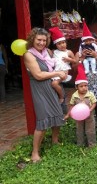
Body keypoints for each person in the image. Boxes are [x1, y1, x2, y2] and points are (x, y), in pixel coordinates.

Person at [23, 27, 66, 162]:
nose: (41, 43)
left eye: (44, 40)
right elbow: (38, 75)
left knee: (57, 113)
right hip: (40, 89)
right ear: (32, 39)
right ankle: (35, 153)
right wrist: (57, 74)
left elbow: (58, 65)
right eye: (38, 40)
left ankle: (54, 140)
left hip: (52, 87)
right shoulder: (29, 55)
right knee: (42, 120)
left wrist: (62, 73)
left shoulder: (48, 52)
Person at [75, 33, 97, 127]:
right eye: (88, 41)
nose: (91, 43)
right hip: (84, 85)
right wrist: (81, 59)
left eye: (93, 41)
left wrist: (96, 56)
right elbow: (75, 69)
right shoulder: (78, 53)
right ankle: (87, 127)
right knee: (86, 105)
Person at [66, 64, 97, 147]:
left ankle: (92, 145)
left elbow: (94, 103)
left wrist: (90, 109)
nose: (84, 88)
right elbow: (72, 105)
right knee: (79, 130)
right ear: (76, 87)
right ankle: (80, 144)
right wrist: (69, 114)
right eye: (81, 86)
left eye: (85, 86)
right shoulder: (74, 95)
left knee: (90, 130)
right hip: (78, 117)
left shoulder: (90, 94)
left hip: (89, 116)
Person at [49, 27, 76, 103]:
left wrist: (69, 60)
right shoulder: (54, 52)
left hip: (63, 72)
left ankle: (61, 97)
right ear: (56, 45)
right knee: (50, 84)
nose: (62, 45)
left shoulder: (69, 52)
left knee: (54, 84)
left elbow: (75, 61)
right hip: (55, 71)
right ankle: (56, 96)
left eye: (63, 42)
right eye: (59, 44)